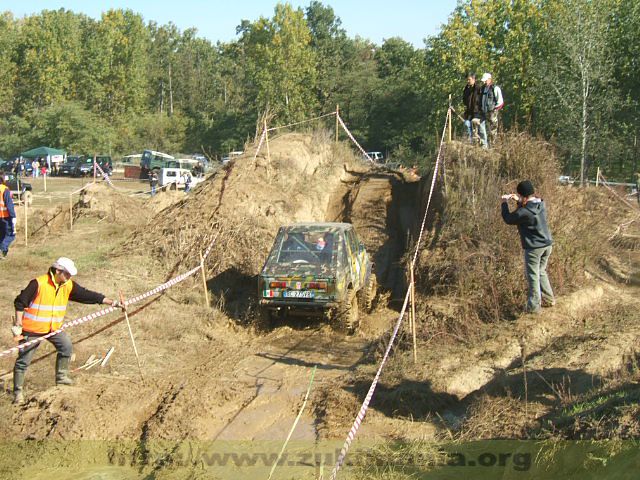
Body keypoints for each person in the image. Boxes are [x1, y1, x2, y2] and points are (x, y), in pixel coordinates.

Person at [11, 257, 121, 404]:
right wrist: (18, 323)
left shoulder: (67, 285)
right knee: (23, 361)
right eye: (67, 274)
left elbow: (86, 295)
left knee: (66, 347)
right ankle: (18, 393)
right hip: (33, 330)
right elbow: (20, 301)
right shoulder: (38, 283)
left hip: (53, 328)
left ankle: (62, 378)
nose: (69, 277)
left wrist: (111, 302)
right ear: (58, 271)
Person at [501, 180, 554, 314]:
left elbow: (509, 219)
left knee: (533, 275)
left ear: (523, 195)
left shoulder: (524, 212)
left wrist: (504, 203)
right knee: (541, 271)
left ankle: (534, 307)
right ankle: (549, 299)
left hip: (534, 248)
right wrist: (518, 200)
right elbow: (528, 208)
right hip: (547, 245)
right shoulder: (540, 203)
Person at [462, 73, 487, 148]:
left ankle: (484, 146)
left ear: (473, 79)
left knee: (481, 129)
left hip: (478, 112)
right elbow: (464, 100)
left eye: (469, 79)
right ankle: (470, 144)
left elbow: (482, 100)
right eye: (467, 80)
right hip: (469, 113)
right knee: (467, 125)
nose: (468, 81)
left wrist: (482, 111)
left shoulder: (479, 88)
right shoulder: (466, 89)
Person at [480, 73, 504, 147]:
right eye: (483, 81)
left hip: (492, 113)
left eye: (485, 80)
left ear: (490, 79)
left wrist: (494, 110)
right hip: (484, 113)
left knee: (493, 131)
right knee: (484, 130)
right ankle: (485, 147)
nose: (484, 82)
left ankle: (493, 146)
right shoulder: (482, 88)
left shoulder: (495, 88)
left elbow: (500, 102)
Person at [0, 171, 17, 259]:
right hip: (5, 216)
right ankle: (2, 249)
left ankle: (3, 251)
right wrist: (13, 216)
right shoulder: (4, 189)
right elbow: (9, 204)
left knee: (2, 235)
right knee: (10, 235)